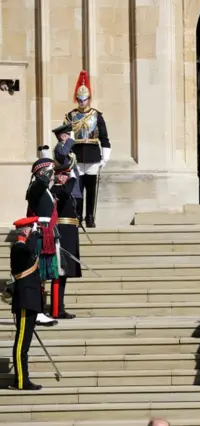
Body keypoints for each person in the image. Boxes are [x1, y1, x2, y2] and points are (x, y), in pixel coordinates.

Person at [64, 70, 111, 228]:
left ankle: (90, 216)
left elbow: (104, 137)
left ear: (88, 99)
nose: (82, 102)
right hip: (77, 155)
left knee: (91, 189)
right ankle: (78, 215)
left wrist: (105, 158)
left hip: (92, 155)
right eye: (79, 99)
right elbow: (66, 137)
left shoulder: (97, 115)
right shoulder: (71, 116)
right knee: (77, 189)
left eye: (84, 99)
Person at [50, 123, 82, 319]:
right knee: (58, 273)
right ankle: (56, 308)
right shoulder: (58, 190)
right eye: (60, 175)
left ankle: (59, 307)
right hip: (61, 234)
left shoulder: (67, 188)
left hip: (70, 232)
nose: (64, 177)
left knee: (64, 273)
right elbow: (66, 190)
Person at [26, 148, 60, 327]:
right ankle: (37, 312)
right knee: (38, 276)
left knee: (43, 277)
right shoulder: (36, 188)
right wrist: (46, 165)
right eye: (51, 172)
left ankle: (39, 311)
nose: (54, 175)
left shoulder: (45, 190)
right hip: (40, 235)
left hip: (47, 234)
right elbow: (41, 182)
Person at [10, 217, 44, 390]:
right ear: (24, 231)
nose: (33, 230)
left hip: (30, 301)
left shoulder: (26, 248)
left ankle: (23, 379)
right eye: (30, 228)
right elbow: (28, 249)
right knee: (21, 344)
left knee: (25, 344)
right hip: (24, 300)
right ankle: (22, 381)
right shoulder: (18, 248)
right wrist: (35, 235)